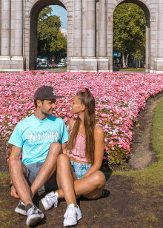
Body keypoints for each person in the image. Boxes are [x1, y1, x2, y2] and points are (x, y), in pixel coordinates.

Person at [41, 88, 106, 226]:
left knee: (100, 177)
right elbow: (67, 150)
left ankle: (58, 194)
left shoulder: (97, 131)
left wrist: (85, 180)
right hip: (71, 173)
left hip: (89, 174)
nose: (70, 104)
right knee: (62, 158)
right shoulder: (72, 124)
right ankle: (73, 208)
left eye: (73, 102)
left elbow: (97, 164)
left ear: (82, 107)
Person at [8, 85, 68, 227]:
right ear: (39, 103)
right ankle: (30, 207)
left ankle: (28, 198)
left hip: (52, 173)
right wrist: (13, 182)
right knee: (13, 163)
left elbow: (64, 152)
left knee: (55, 146)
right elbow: (14, 156)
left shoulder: (59, 123)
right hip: (30, 172)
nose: (54, 106)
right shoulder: (22, 125)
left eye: (55, 102)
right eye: (50, 102)